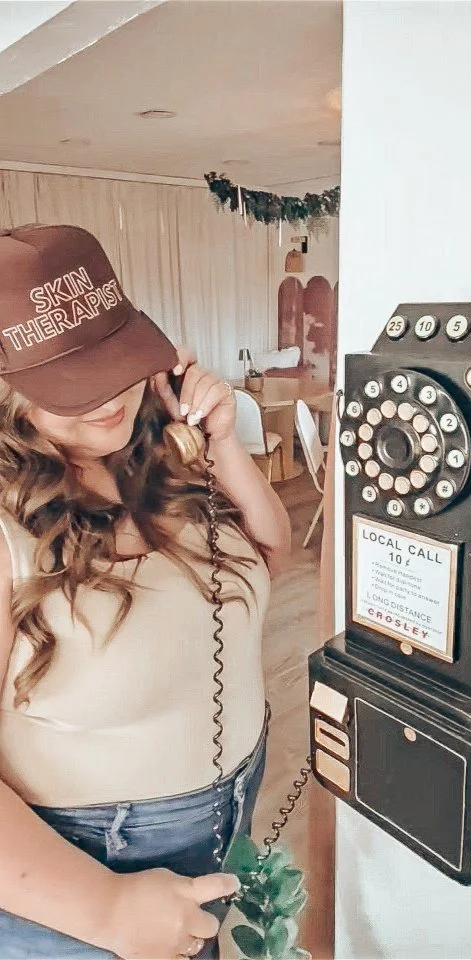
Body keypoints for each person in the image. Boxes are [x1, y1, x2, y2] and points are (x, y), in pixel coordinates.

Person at [0, 224, 291, 959]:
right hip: (83, 872)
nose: (108, 396)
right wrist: (105, 907)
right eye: (73, 382)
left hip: (225, 821)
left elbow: (268, 556)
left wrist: (222, 447)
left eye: (117, 361)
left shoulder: (156, 459)